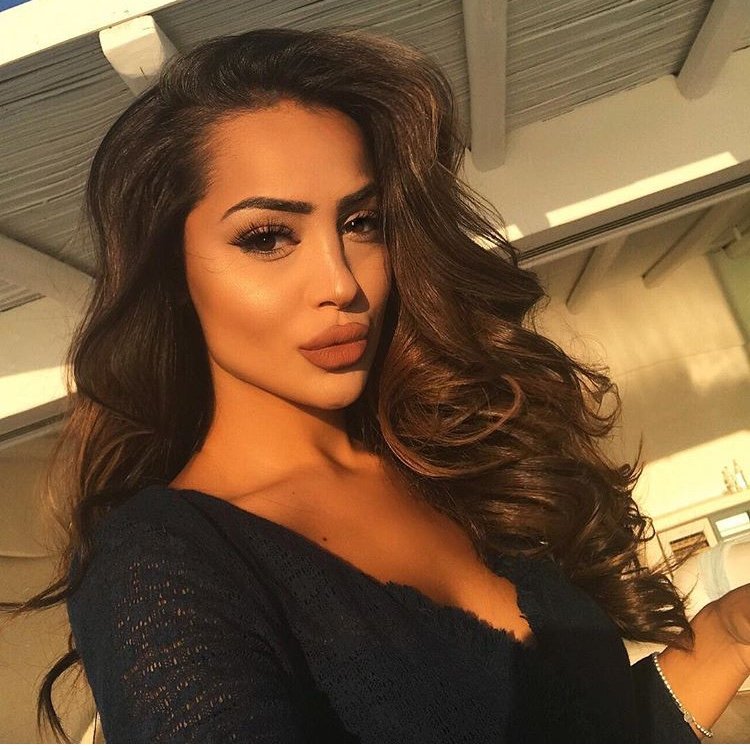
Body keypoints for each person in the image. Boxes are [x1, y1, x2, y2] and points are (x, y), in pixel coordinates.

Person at [2, 27, 749, 743]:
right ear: (171, 271)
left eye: (362, 223)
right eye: (268, 236)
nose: (340, 283)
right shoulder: (162, 563)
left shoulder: (447, 458)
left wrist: (728, 636)